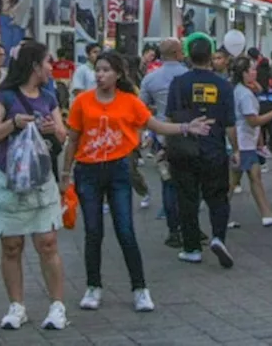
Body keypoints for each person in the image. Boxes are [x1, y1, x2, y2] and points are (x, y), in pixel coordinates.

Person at [61, 51, 211, 313]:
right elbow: (73, 139)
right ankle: (93, 286)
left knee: (126, 231)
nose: (100, 74)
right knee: (93, 232)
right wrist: (65, 174)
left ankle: (140, 288)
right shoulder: (82, 102)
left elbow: (155, 125)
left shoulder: (130, 101)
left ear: (118, 74)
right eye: (98, 69)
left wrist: (186, 127)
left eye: (106, 69)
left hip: (119, 170)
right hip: (88, 171)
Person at [0, 42, 70, 331]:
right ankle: (16, 306)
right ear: (34, 66)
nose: (50, 68)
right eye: (47, 62)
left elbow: (63, 135)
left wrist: (53, 131)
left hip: (41, 179)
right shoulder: (3, 97)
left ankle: (57, 306)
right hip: (7, 180)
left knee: (48, 242)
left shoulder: (48, 97)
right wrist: (13, 124)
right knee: (11, 244)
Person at [165, 34, 239, 268]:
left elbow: (170, 117)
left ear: (188, 55)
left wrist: (165, 145)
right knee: (218, 197)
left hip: (185, 149)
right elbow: (230, 124)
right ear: (211, 57)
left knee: (187, 199)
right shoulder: (224, 86)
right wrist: (235, 149)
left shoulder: (178, 83)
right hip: (214, 149)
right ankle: (218, 237)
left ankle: (192, 248)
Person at [139, 38, 188, 246]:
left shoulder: (150, 79)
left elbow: (141, 109)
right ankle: (189, 227)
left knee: (168, 183)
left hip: (162, 136)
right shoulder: (189, 76)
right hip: (189, 134)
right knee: (189, 185)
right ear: (178, 52)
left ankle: (173, 229)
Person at [229, 56, 272, 226]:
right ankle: (264, 213)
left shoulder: (242, 90)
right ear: (244, 73)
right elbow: (253, 121)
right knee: (234, 181)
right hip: (244, 140)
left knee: (251, 177)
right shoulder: (245, 95)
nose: (255, 72)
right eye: (252, 69)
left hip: (245, 141)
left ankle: (266, 212)